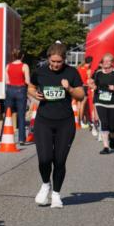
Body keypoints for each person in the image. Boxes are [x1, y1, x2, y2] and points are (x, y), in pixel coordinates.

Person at [28, 42, 85, 208]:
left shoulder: (71, 72)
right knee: (45, 159)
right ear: (48, 59)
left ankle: (56, 195)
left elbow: (81, 95)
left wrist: (70, 89)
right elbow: (30, 87)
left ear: (64, 60)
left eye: (58, 62)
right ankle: (46, 184)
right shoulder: (40, 71)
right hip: (44, 120)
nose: (55, 65)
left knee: (59, 160)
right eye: (52, 61)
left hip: (65, 122)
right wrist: (35, 94)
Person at [89, 52, 114, 154]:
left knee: (112, 125)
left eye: (108, 61)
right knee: (103, 122)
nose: (105, 63)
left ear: (112, 63)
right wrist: (93, 86)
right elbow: (89, 81)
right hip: (100, 101)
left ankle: (112, 137)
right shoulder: (98, 73)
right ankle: (105, 146)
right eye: (104, 61)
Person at [4, 49, 30, 146]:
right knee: (21, 115)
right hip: (21, 90)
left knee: (7, 114)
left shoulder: (8, 66)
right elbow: (27, 80)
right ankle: (21, 139)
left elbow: (7, 81)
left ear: (13, 56)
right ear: (22, 56)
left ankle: (3, 136)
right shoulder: (24, 66)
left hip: (10, 90)